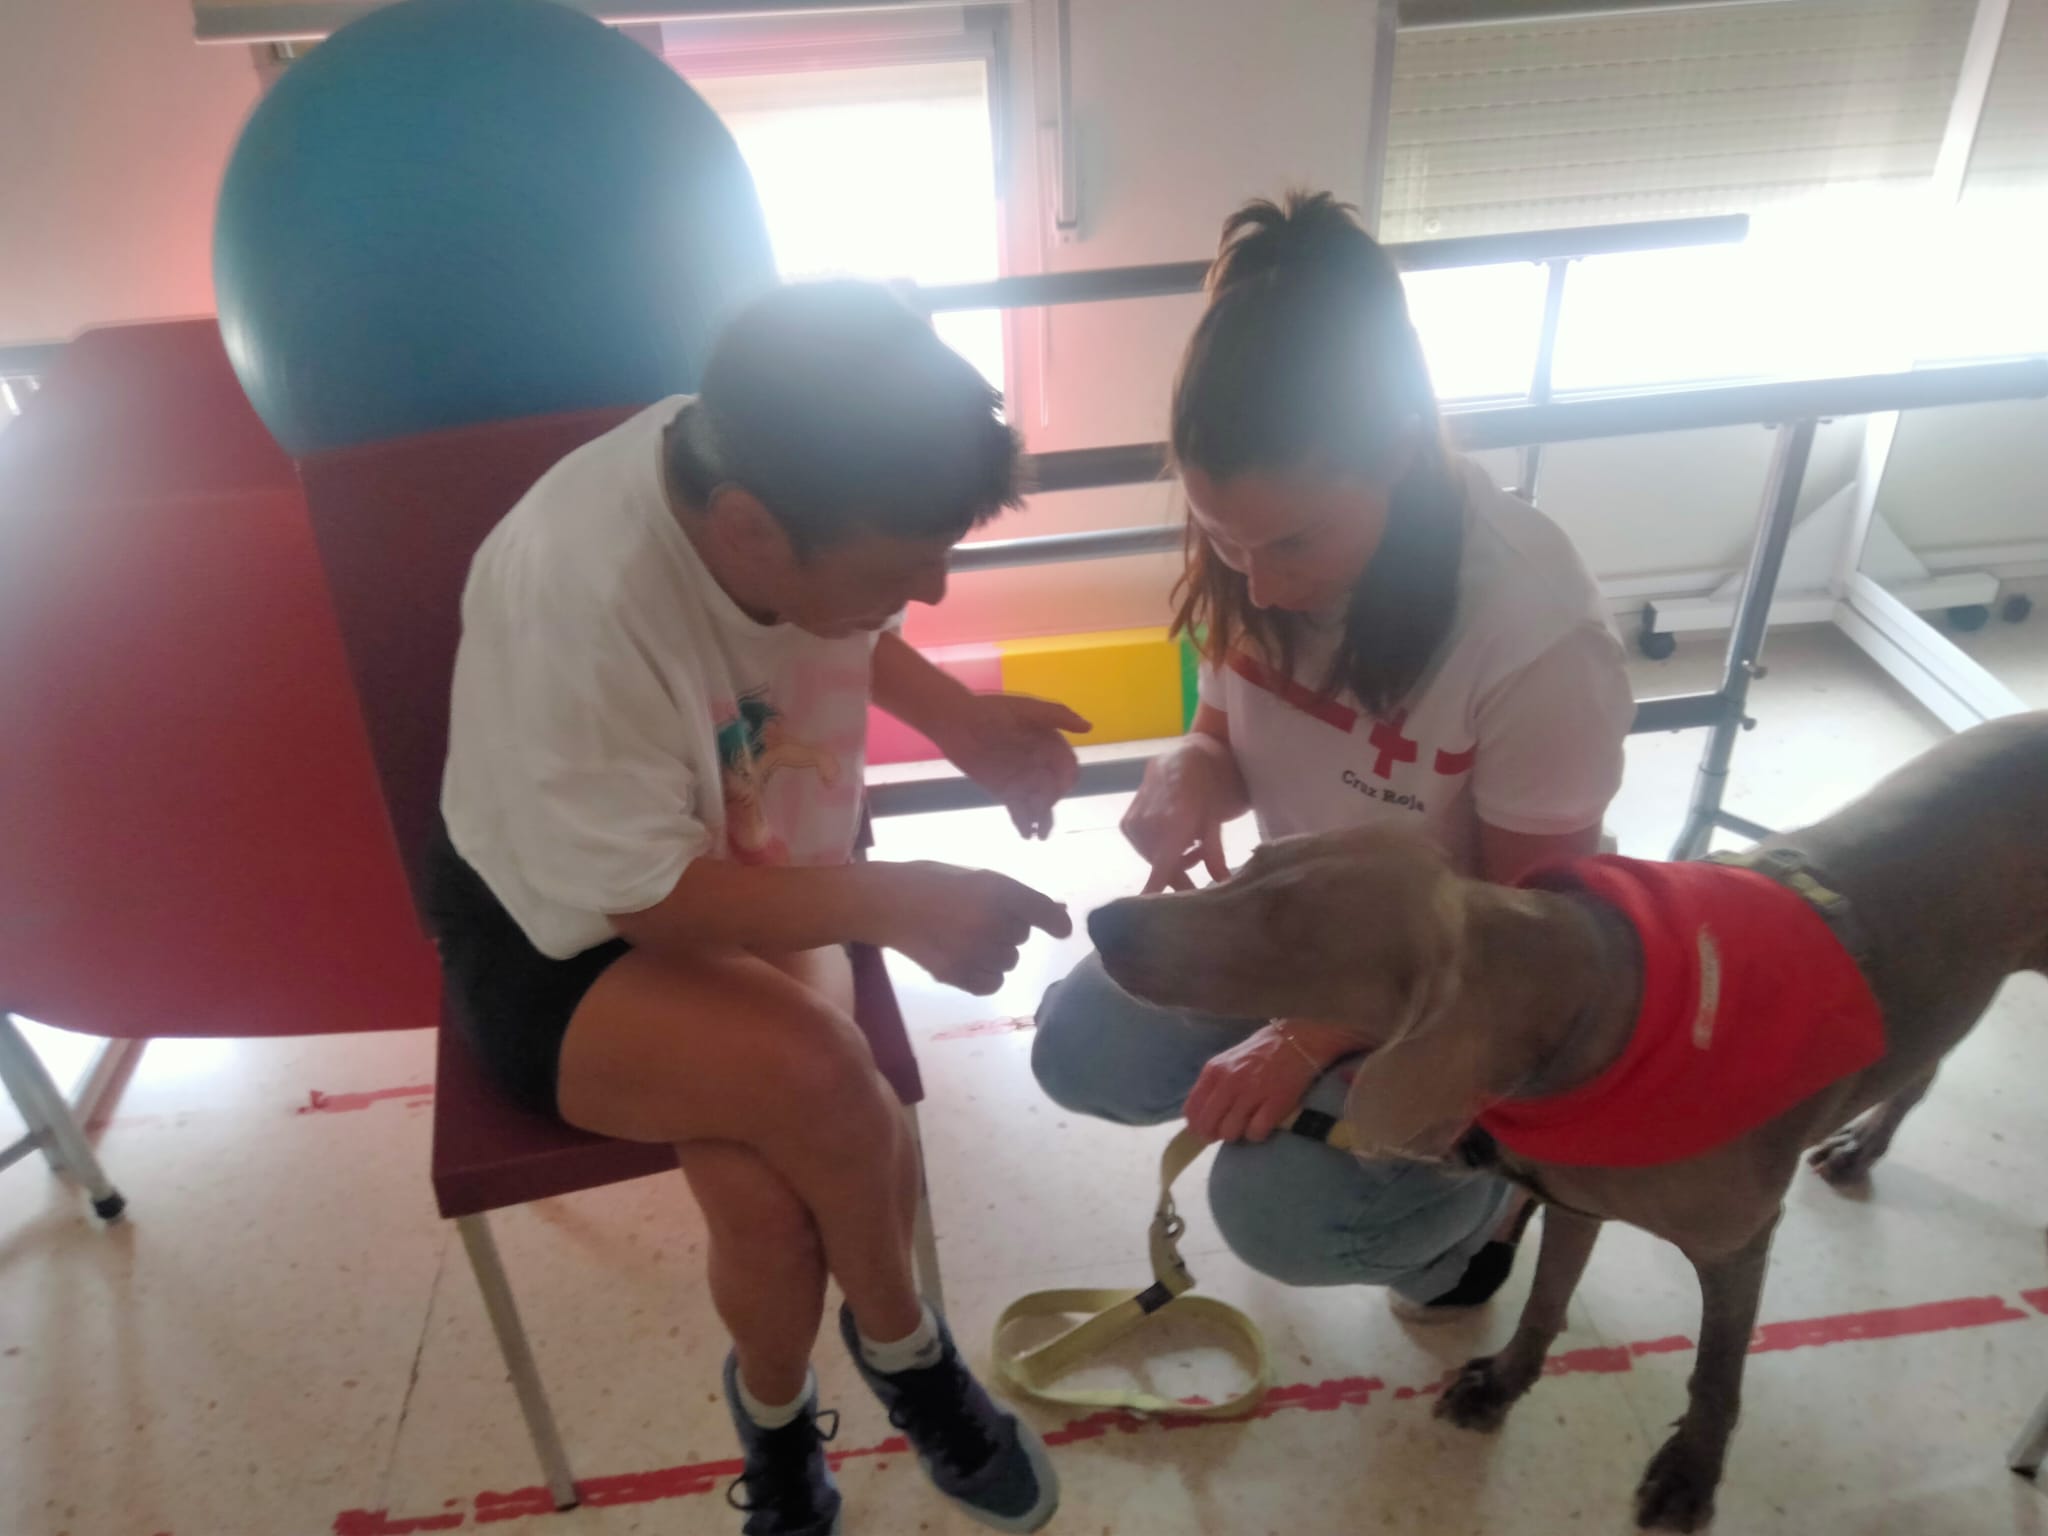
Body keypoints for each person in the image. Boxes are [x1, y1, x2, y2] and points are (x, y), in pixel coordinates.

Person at [430, 281, 1081, 1536]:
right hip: (554, 932)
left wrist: (957, 722)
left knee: (767, 1190)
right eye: (908, 567)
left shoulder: (753, 457)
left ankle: (782, 1430)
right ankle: (903, 1361)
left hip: (743, 855)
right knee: (831, 1095)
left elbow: (834, 615)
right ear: (746, 533)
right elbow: (642, 896)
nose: (931, 594)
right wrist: (894, 900)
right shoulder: (579, 594)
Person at [1033, 192, 1634, 1319]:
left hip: (1463, 976)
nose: (1256, 583)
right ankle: (1340, 1126)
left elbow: (1524, 937)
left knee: (1280, 1215)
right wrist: (1190, 771)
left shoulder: (1531, 629)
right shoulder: (1263, 543)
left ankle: (1482, 1219)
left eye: (1293, 542)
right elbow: (1224, 716)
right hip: (1321, 927)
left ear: (1400, 449)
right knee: (1080, 1049)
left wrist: (1302, 1038)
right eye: (1221, 539)